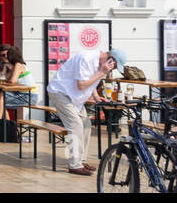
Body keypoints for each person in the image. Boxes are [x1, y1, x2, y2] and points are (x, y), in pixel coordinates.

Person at [48, 47, 125, 175]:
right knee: (75, 124)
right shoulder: (87, 59)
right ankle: (74, 165)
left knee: (86, 124)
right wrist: (102, 73)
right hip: (60, 92)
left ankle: (80, 161)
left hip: (73, 97)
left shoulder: (100, 65)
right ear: (110, 59)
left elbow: (92, 83)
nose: (113, 69)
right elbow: (81, 85)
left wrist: (96, 97)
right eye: (115, 66)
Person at [0, 46, 34, 122]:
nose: (6, 57)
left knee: (0, 96)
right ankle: (7, 125)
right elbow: (4, 78)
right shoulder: (13, 66)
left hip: (29, 96)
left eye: (8, 55)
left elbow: (12, 81)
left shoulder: (18, 65)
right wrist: (5, 66)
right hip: (20, 94)